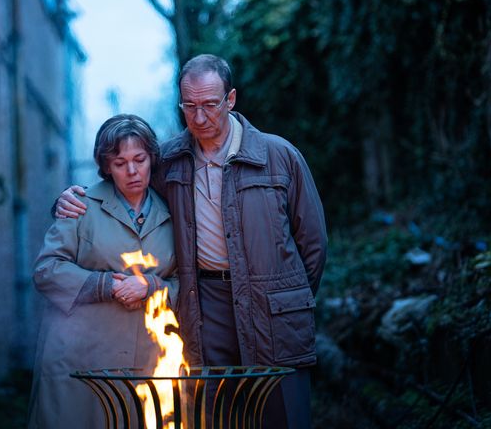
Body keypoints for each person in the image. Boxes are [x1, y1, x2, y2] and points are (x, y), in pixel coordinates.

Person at [54, 54, 327, 429]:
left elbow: (313, 244)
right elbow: (124, 182)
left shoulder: (278, 156)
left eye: (210, 105)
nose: (199, 118)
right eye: (189, 106)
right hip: (205, 305)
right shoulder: (168, 161)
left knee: (282, 415)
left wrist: (285, 296)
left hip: (274, 308)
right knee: (216, 413)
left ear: (230, 100)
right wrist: (71, 198)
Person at [28, 114, 178, 429]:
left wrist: (150, 286)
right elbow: (46, 270)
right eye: (120, 162)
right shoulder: (80, 206)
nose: (133, 171)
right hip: (80, 359)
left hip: (145, 361)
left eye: (140, 159)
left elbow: (183, 283)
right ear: (106, 166)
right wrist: (104, 284)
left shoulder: (172, 213)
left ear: (152, 158)